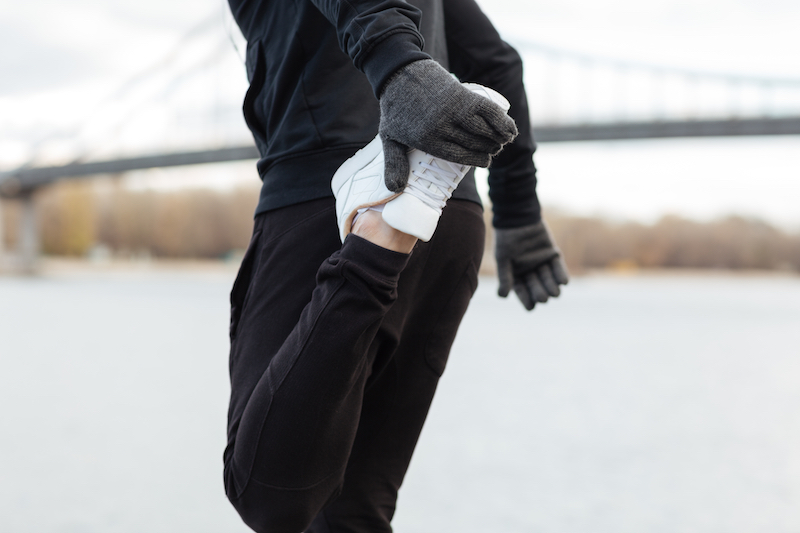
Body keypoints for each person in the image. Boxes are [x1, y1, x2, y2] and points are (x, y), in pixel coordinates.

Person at [223, 0, 569, 531]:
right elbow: (495, 62)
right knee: (352, 510)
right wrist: (518, 210)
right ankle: (395, 221)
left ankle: (382, 236)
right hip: (452, 216)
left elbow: (490, 63)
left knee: (266, 491)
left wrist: (401, 71)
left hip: (331, 201)